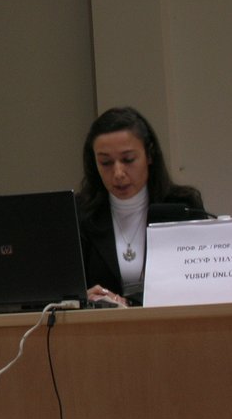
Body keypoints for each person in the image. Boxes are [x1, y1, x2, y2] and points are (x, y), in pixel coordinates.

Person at [77, 106, 203, 307]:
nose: (118, 173)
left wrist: (127, 303)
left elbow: (196, 283)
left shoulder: (182, 207)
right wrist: (81, 299)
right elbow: (63, 290)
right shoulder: (80, 214)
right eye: (106, 163)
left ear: (149, 155)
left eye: (128, 160)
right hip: (102, 324)